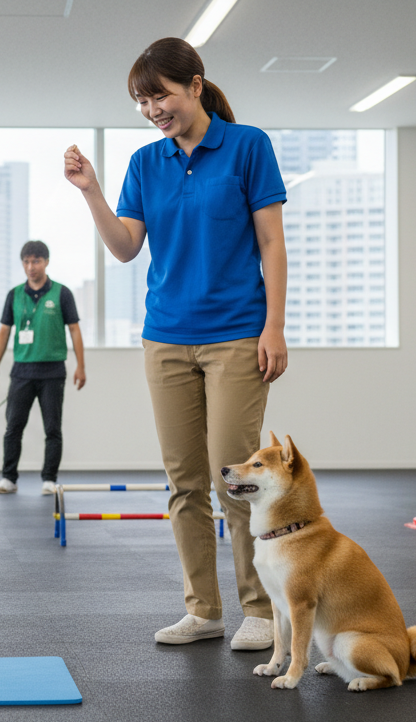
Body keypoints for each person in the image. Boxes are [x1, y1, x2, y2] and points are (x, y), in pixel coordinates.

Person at [63, 38, 289, 650]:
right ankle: (203, 610)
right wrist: (90, 190)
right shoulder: (145, 163)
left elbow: (271, 243)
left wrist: (274, 326)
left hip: (237, 335)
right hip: (164, 338)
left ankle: (260, 610)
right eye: (141, 101)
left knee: (234, 477)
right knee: (184, 482)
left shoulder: (248, 147)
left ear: (195, 85)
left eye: (159, 95)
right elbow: (125, 247)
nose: (152, 109)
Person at [0, 240, 86, 495]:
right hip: (22, 371)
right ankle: (8, 478)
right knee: (13, 428)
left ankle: (49, 479)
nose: (31, 267)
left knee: (52, 429)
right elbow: (4, 332)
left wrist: (81, 366)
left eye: (36, 261)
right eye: (27, 262)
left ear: (46, 262)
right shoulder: (14, 295)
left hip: (53, 371)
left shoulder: (62, 293)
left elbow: (75, 330)